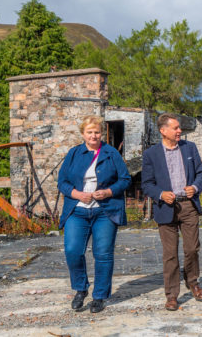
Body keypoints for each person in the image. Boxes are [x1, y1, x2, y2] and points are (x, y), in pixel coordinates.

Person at [57, 115, 131, 313]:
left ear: (101, 133)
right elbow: (62, 182)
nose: (93, 135)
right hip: (77, 210)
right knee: (73, 250)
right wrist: (77, 194)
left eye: (97, 132)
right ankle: (81, 289)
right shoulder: (73, 153)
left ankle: (99, 296)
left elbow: (125, 179)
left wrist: (108, 192)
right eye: (89, 132)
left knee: (103, 254)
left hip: (104, 211)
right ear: (83, 134)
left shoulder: (111, 153)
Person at [141, 113, 202, 311]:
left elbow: (201, 174)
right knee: (170, 254)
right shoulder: (151, 154)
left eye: (179, 128)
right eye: (176, 128)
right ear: (163, 131)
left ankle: (193, 282)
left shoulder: (190, 148)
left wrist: (194, 188)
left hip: (188, 205)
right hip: (165, 207)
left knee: (192, 248)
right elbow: (147, 184)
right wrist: (161, 194)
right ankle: (171, 295)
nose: (180, 131)